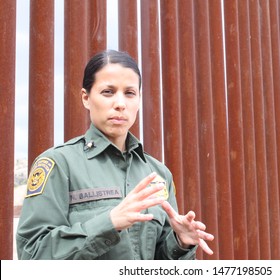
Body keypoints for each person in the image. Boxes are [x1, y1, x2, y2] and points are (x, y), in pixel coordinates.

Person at [16, 49, 214, 260]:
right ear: (86, 98)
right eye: (108, 92)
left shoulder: (158, 173)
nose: (120, 104)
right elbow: (32, 255)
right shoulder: (58, 165)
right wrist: (109, 223)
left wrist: (180, 242)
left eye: (129, 93)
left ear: (138, 100)